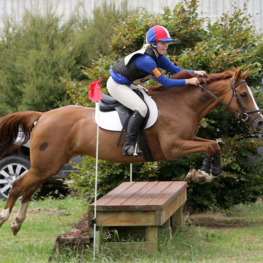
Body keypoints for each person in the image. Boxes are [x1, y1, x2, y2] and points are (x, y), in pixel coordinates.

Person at [107, 25, 206, 157]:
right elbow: (165, 82)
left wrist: (195, 72)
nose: (166, 46)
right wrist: (189, 81)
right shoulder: (147, 60)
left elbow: (175, 71)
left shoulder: (157, 55)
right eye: (163, 42)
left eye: (167, 43)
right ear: (153, 44)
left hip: (131, 83)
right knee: (141, 108)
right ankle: (128, 145)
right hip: (117, 85)